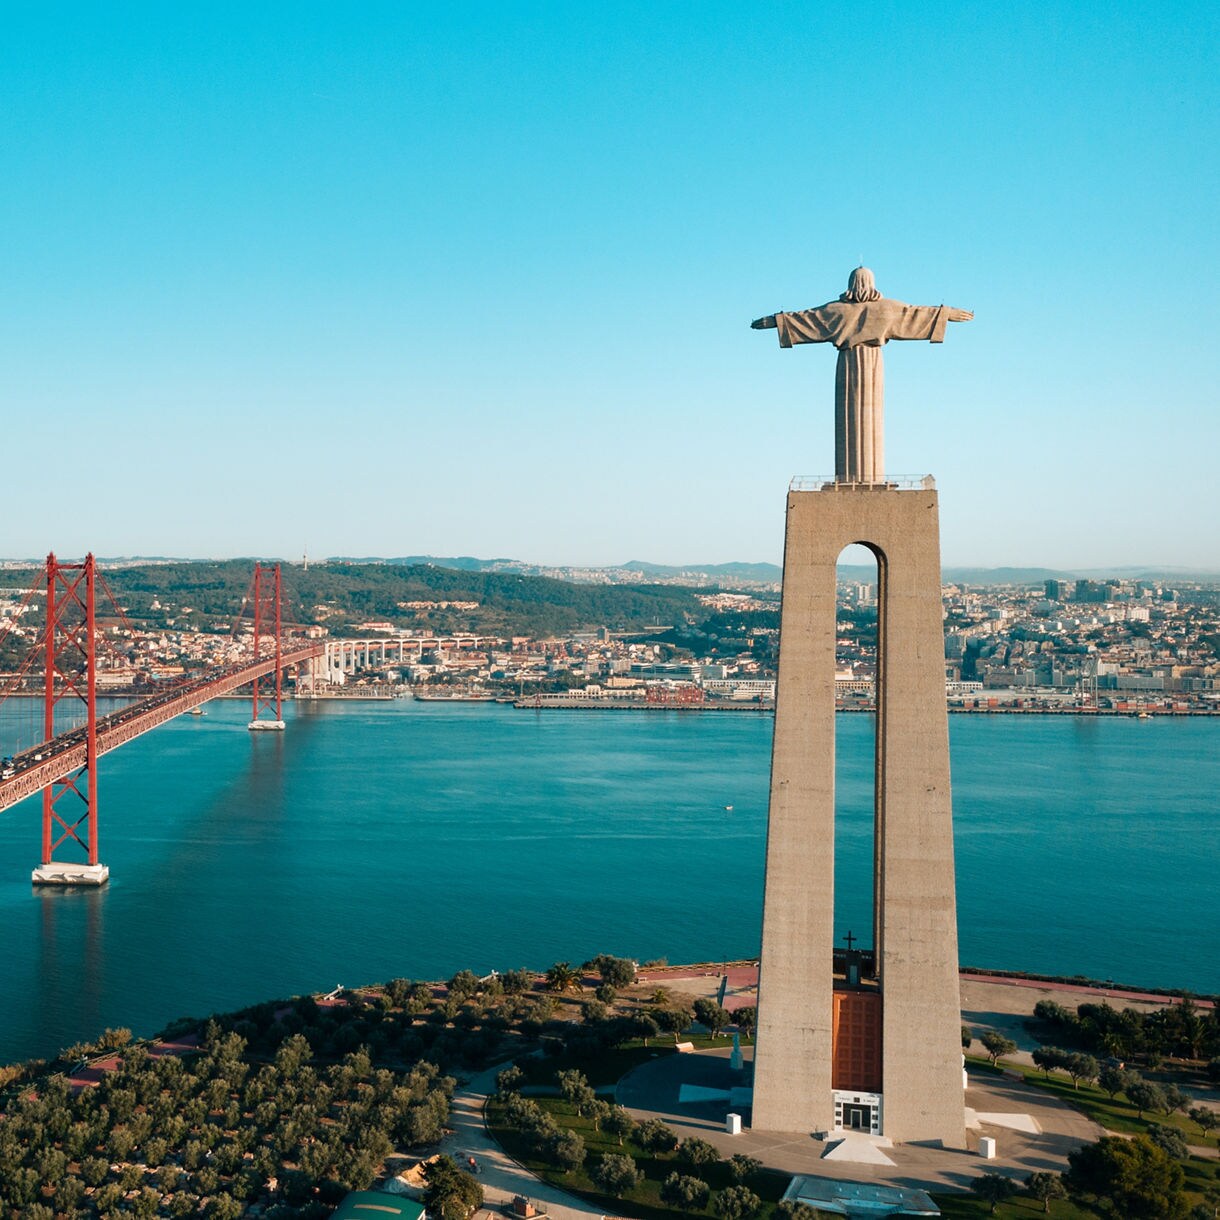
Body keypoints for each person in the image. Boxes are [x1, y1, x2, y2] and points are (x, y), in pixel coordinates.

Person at [752, 267, 972, 483]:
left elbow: (807, 318)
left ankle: (864, 481)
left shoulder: (838, 310)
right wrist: (947, 314)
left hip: (848, 364)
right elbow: (916, 314)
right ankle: (855, 482)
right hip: (870, 363)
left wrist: (776, 321)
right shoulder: (886, 308)